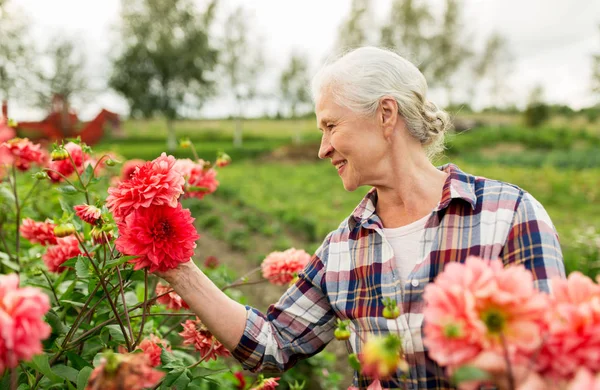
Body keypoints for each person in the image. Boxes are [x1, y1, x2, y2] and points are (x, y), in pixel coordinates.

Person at [159, 46, 566, 389]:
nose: (322, 148)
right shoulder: (343, 247)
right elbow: (273, 344)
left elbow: (554, 359)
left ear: (386, 114)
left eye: (331, 126)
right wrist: (180, 271)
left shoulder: (507, 214)